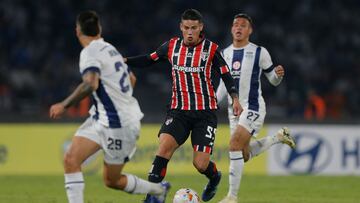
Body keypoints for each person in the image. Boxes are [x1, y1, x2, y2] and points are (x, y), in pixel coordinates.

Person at [49, 11, 170, 203]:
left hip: (118, 126)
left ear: (77, 31)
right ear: (100, 29)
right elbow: (132, 78)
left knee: (111, 180)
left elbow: (90, 83)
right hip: (101, 118)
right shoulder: (110, 49)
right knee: (71, 159)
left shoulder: (89, 53)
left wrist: (64, 105)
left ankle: (158, 190)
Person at [125, 9, 241, 202]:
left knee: (200, 164)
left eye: (193, 28)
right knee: (163, 148)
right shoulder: (171, 46)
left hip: (205, 114)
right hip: (179, 111)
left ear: (200, 28)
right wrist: (126, 60)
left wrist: (235, 98)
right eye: (186, 28)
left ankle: (214, 177)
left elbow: (225, 74)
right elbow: (149, 59)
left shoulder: (211, 49)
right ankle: (151, 197)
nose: (189, 32)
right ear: (181, 27)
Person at [217, 14, 296, 203]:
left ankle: (231, 197)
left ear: (249, 31)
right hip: (233, 111)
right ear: (231, 29)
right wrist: (210, 103)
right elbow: (222, 86)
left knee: (234, 145)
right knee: (241, 155)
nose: (238, 28)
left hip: (253, 107)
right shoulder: (224, 54)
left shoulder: (260, 52)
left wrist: (278, 75)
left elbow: (273, 81)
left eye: (243, 25)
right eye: (235, 24)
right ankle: (277, 137)